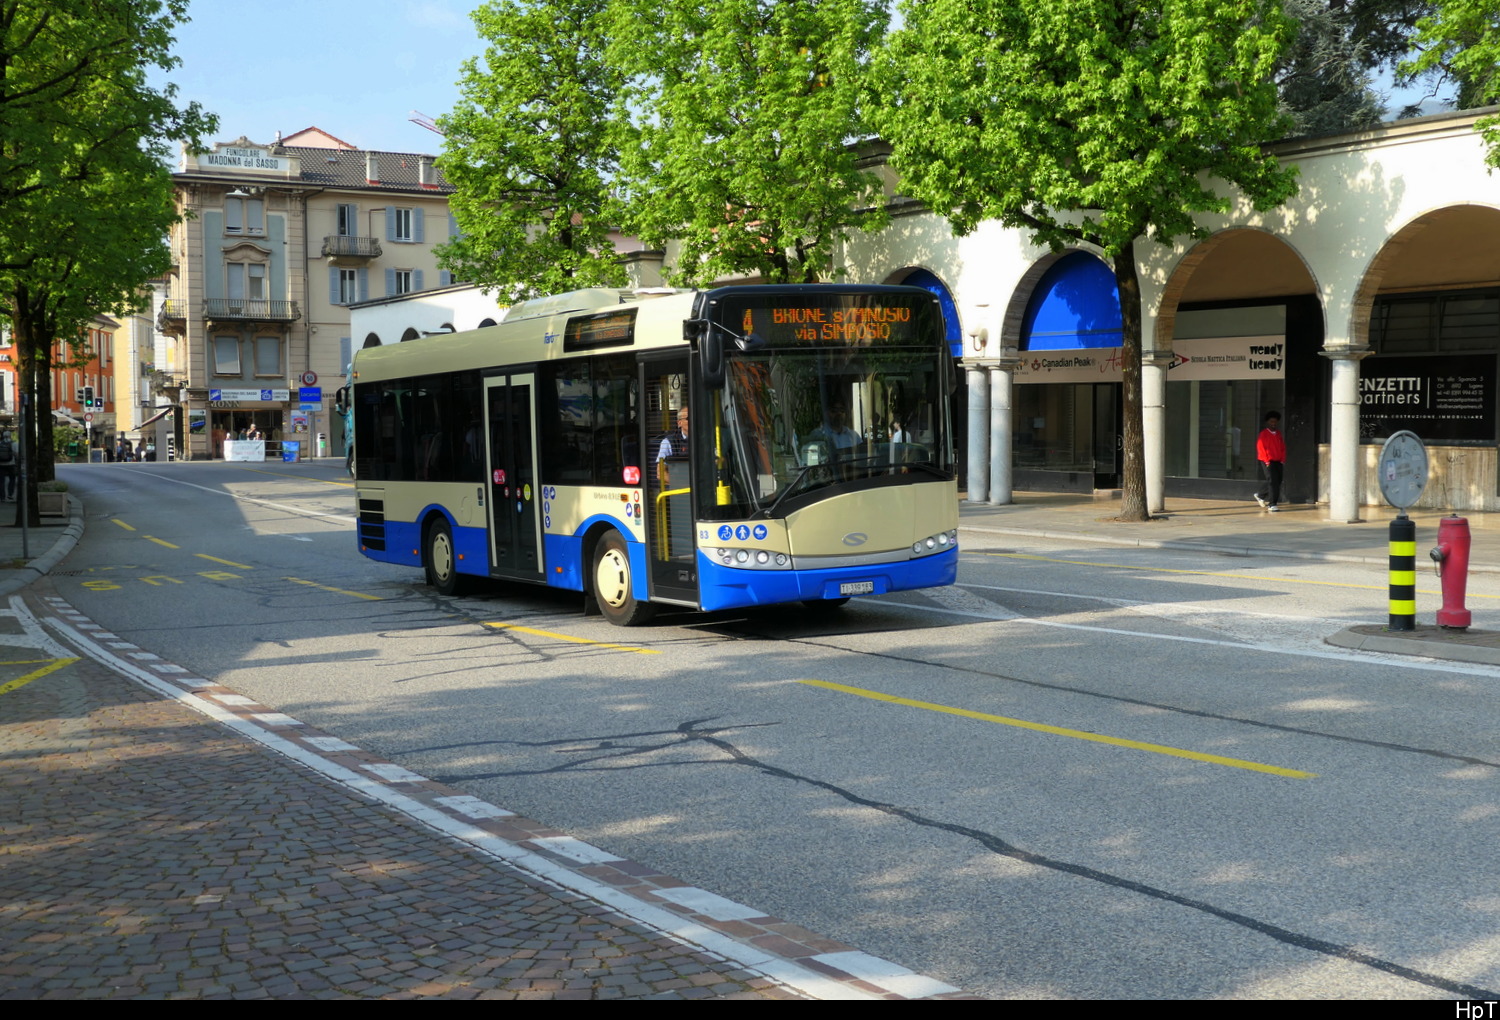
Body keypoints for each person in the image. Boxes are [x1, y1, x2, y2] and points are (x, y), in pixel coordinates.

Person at [1253, 410, 1286, 512]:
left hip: (1278, 461)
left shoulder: (1278, 434)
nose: (1273, 424)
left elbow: (1282, 447)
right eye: (1271, 422)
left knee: (1278, 481)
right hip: (1267, 461)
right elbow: (1261, 448)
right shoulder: (1263, 434)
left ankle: (1261, 495)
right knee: (1272, 482)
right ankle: (1272, 504)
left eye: (1275, 422)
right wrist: (1266, 461)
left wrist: (1283, 459)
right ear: (1268, 422)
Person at [657, 407, 688, 485]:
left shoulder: (708, 439)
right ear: (679, 423)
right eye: (688, 418)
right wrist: (682, 485)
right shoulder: (668, 442)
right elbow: (660, 473)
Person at [0, 430, 15, 501]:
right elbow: (17, 455)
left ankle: (2, 497)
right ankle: (10, 494)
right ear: (10, 436)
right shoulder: (14, 444)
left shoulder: (0, 443)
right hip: (11, 464)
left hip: (1, 464)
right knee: (12, 479)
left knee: (1, 481)